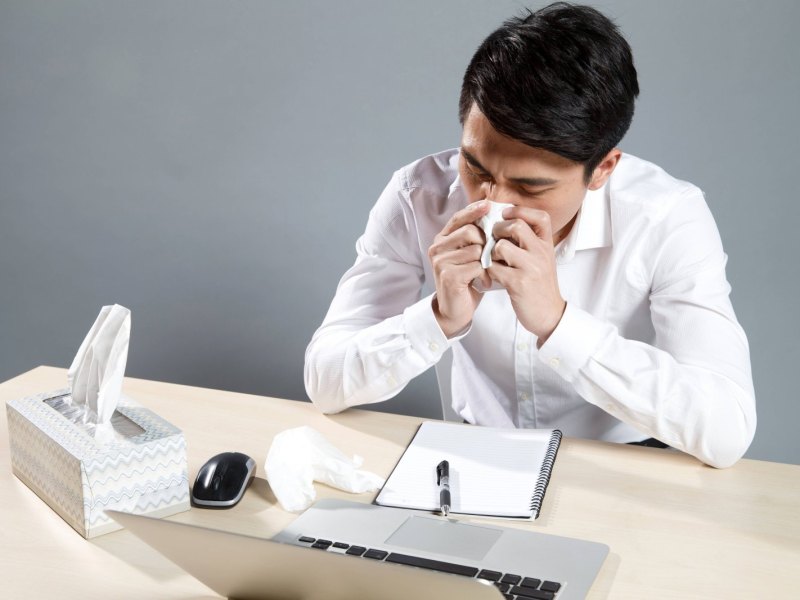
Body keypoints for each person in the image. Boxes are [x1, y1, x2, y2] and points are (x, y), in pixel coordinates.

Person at [304, 2, 756, 468]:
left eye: (530, 186)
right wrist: (438, 318)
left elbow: (726, 428)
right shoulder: (418, 193)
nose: (490, 201)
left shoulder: (665, 217)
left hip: (627, 467)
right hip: (470, 458)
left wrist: (559, 324)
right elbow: (324, 380)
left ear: (602, 168)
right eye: (474, 168)